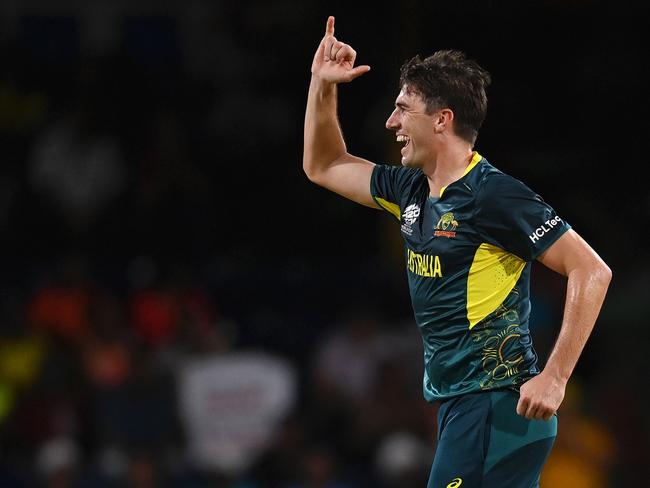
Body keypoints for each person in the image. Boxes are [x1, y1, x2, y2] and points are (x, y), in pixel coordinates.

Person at [303, 16, 612, 488]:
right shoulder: (409, 190)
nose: (391, 123)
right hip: (463, 407)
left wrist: (555, 376)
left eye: (404, 109)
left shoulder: (494, 195)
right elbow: (323, 164)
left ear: (442, 119)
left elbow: (591, 270)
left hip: (497, 404)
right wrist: (321, 85)